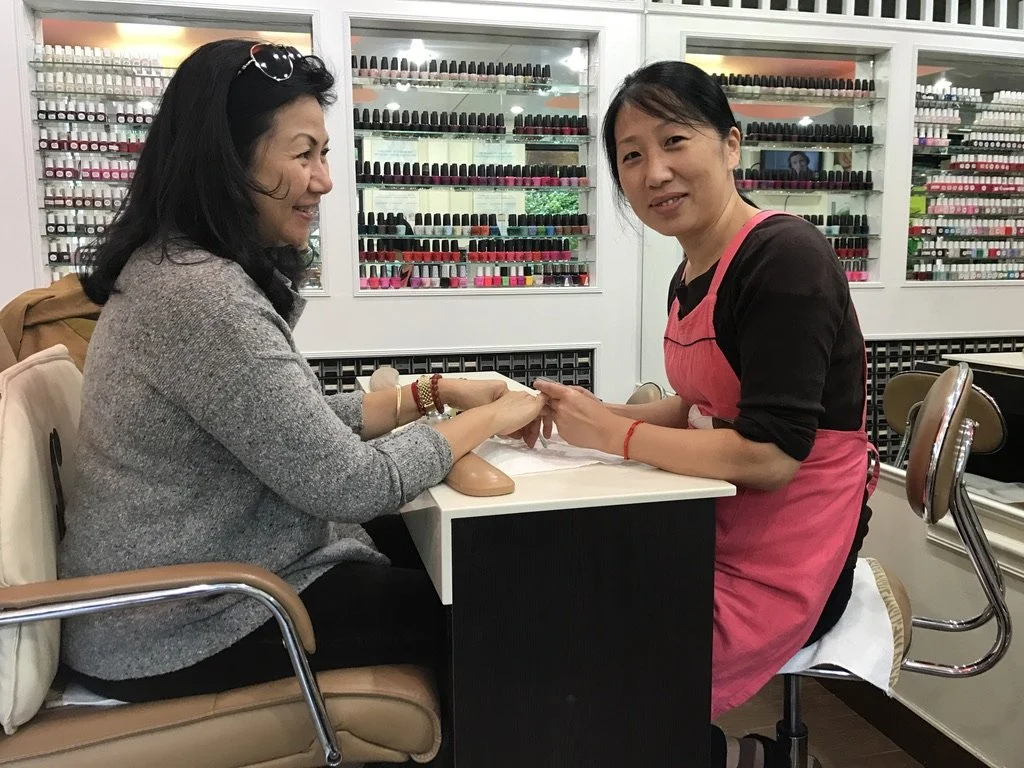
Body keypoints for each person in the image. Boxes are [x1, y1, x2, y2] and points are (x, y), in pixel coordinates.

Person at [58, 39, 546, 759]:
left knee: (448, 562)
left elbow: (292, 426)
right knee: (492, 606)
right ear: (227, 161)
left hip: (197, 590)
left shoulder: (179, 270)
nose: (324, 180)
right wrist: (490, 417)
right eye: (303, 154)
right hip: (181, 623)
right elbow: (347, 482)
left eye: (325, 154)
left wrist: (431, 393)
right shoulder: (200, 297)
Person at [534, 61, 874, 768]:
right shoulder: (690, 270)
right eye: (632, 156)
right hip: (713, 524)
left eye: (674, 141)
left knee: (597, 669)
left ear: (730, 144)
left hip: (787, 557)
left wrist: (617, 433)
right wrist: (580, 412)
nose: (655, 172)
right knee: (565, 614)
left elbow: (770, 457)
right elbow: (698, 406)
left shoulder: (785, 259)